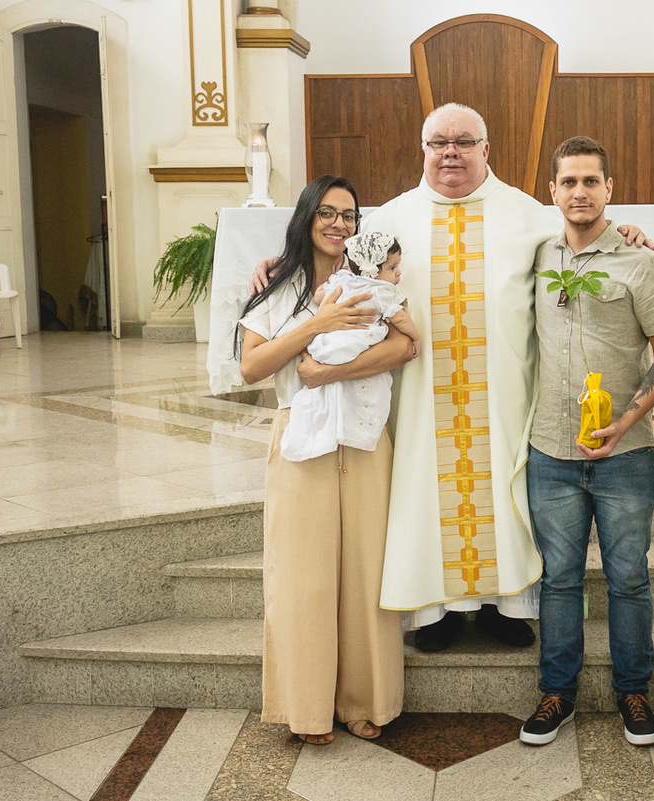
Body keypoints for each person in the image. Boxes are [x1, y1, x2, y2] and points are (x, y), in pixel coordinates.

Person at [253, 103, 650, 653]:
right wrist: (281, 260)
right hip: (421, 397)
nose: (451, 153)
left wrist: (628, 229)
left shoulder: (530, 214)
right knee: (425, 491)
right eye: (439, 142)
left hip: (504, 393)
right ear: (423, 151)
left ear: (486, 150)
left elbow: (586, 232)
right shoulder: (390, 219)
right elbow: (333, 255)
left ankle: (505, 606)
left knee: (501, 490)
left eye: (464, 142)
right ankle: (434, 611)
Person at [239, 175, 414, 745]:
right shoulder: (276, 285)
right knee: (304, 579)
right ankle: (306, 707)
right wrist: (316, 326)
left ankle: (364, 701)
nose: (340, 223)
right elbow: (252, 367)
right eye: (328, 212)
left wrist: (326, 369)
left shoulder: (372, 282)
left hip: (364, 441)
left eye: (349, 214)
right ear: (307, 216)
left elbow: (405, 346)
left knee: (366, 575)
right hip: (301, 441)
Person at [518, 137, 654, 748]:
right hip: (550, 452)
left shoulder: (642, 265)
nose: (579, 192)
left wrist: (627, 419)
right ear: (552, 191)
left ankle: (634, 692)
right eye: (568, 182)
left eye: (591, 181)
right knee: (558, 578)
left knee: (629, 576)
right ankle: (556, 693)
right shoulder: (534, 256)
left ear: (609, 190)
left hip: (625, 454)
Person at [277, 231, 420, 462]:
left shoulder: (343, 279)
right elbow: (399, 317)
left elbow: (318, 298)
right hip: (357, 342)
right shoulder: (381, 291)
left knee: (322, 394)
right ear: (374, 270)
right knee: (370, 387)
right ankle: (354, 430)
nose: (399, 273)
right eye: (393, 268)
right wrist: (416, 338)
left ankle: (316, 434)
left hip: (326, 345)